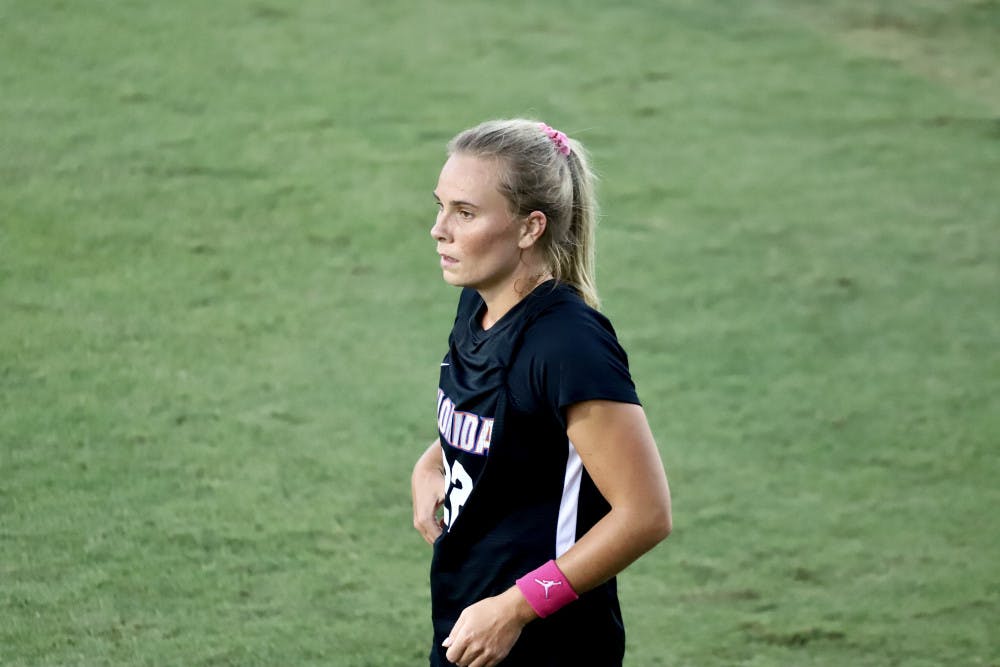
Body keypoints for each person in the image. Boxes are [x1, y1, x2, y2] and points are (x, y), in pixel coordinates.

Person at [411, 118, 672, 667]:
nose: (438, 229)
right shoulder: (479, 303)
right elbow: (508, 420)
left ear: (530, 228)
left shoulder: (568, 346)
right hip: (469, 621)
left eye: (465, 213)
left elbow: (645, 513)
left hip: (546, 644)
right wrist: (431, 462)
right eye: (441, 206)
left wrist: (513, 609)